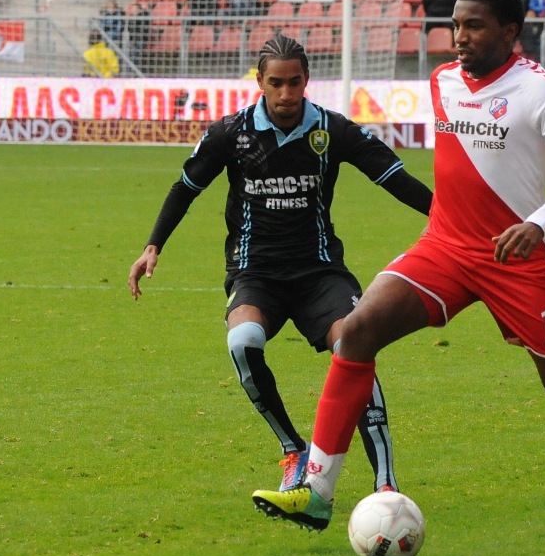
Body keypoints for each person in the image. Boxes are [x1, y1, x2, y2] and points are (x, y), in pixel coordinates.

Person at [252, 0, 545, 551]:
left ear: (509, 32)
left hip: (516, 261)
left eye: (474, 26)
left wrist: (536, 224)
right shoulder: (442, 81)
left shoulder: (541, 90)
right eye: (456, 25)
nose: (459, 37)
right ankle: (317, 491)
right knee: (358, 331)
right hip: (444, 247)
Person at [128, 35, 433, 495]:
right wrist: (154, 246)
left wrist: (454, 223)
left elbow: (396, 180)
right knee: (243, 341)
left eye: (295, 83)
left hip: (321, 271)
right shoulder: (231, 133)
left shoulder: (332, 130)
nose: (287, 94)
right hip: (255, 272)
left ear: (307, 81)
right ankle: (294, 449)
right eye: (277, 83)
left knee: (354, 345)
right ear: (260, 82)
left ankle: (386, 483)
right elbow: (185, 188)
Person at [125, 2, 150, 72]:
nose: (133, 11)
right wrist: (131, 41)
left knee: (136, 51)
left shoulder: (143, 18)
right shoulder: (131, 18)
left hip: (140, 39)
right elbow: (129, 30)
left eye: (135, 9)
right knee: (131, 51)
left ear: (139, 10)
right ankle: (133, 69)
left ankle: (136, 70)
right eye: (133, 9)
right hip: (133, 39)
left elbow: (143, 31)